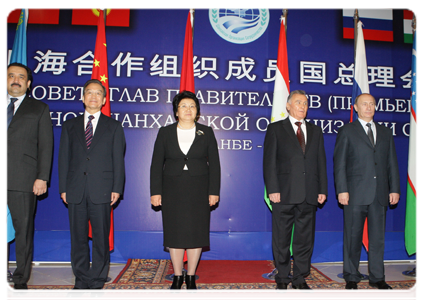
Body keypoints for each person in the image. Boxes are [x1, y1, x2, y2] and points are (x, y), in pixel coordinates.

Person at [59, 79, 126, 299]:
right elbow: (63, 160)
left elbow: (118, 160)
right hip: (76, 189)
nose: (93, 97)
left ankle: (97, 282)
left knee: (100, 237)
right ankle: (81, 282)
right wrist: (63, 188)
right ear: (82, 97)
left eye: (98, 93)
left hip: (102, 189)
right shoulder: (70, 126)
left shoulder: (113, 126)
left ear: (104, 99)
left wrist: (117, 187)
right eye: (89, 93)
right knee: (77, 238)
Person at [150, 91, 220, 294]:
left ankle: (191, 276)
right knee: (175, 232)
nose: (188, 109)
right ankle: (177, 275)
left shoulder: (206, 132)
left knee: (196, 232)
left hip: (199, 189)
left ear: (197, 111)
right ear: (176, 111)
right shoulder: (165, 132)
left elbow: (214, 165)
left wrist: (213, 191)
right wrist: (156, 191)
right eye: (183, 106)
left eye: (192, 106)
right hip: (172, 189)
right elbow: (156, 165)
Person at [333, 93, 400, 292]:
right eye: (364, 104)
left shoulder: (385, 132)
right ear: (356, 107)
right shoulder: (347, 131)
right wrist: (342, 190)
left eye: (372, 104)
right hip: (354, 194)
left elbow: (392, 164)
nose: (368, 107)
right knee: (352, 237)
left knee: (378, 239)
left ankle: (377, 277)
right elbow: (340, 164)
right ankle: (351, 276)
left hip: (379, 195)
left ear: (375, 107)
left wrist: (394, 188)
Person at [263, 90, 327, 294]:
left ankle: (300, 278)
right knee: (281, 238)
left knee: (304, 239)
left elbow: (321, 163)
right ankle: (282, 277)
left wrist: (322, 189)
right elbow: (269, 163)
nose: (302, 106)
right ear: (288, 106)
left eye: (306, 103)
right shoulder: (276, 129)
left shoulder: (316, 131)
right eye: (298, 102)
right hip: (283, 193)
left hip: (309, 194)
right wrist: (272, 189)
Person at [5, 62, 54, 296]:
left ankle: (21, 278)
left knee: (23, 231)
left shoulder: (38, 109)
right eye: (11, 76)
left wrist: (42, 177)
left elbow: (46, 147)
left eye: (21, 77)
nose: (16, 80)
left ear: (28, 83)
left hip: (23, 179)